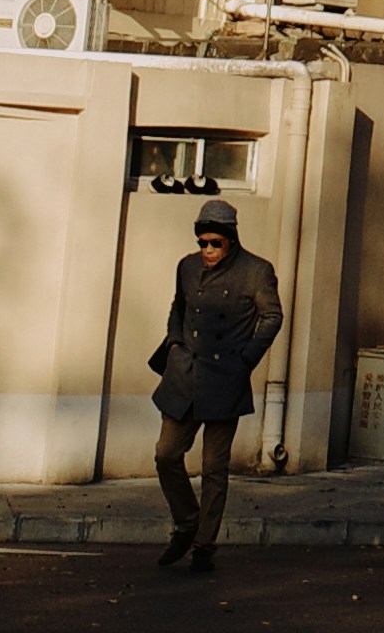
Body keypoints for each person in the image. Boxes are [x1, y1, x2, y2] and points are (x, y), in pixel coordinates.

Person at [146, 195, 285, 575]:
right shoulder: (187, 267)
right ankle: (187, 523)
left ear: (231, 240)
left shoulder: (256, 271)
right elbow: (177, 307)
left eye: (215, 243)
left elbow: (272, 317)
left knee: (213, 468)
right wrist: (174, 343)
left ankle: (204, 545)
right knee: (166, 454)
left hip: (225, 379)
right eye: (202, 242)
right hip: (185, 375)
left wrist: (246, 359)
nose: (207, 250)